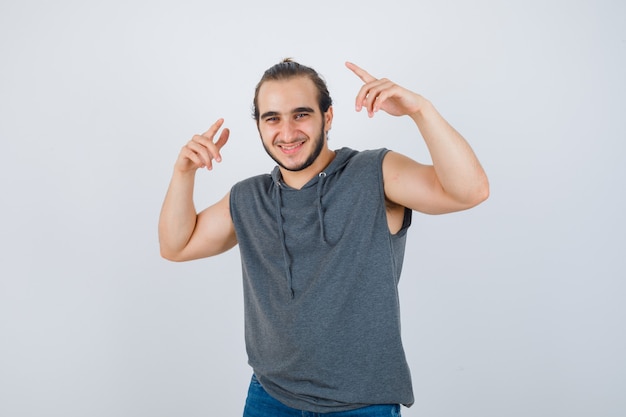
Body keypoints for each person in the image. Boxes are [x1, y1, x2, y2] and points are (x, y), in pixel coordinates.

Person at [159, 59, 489, 416]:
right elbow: (176, 246)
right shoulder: (249, 197)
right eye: (272, 118)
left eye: (301, 114)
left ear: (327, 117)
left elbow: (469, 191)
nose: (286, 132)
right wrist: (183, 172)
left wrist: (420, 111)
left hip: (362, 404)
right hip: (270, 397)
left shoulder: (372, 174)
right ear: (258, 125)